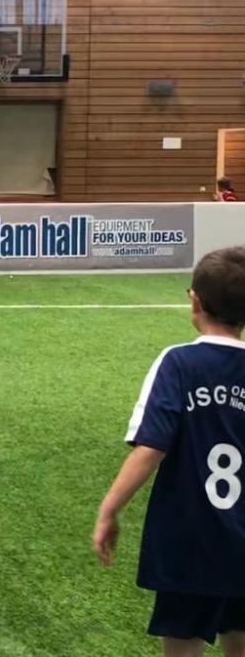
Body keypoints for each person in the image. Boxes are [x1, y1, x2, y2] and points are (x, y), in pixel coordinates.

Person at [94, 247, 245, 657]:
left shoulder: (178, 363)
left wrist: (110, 509)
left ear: (195, 301)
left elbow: (151, 447)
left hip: (188, 542)